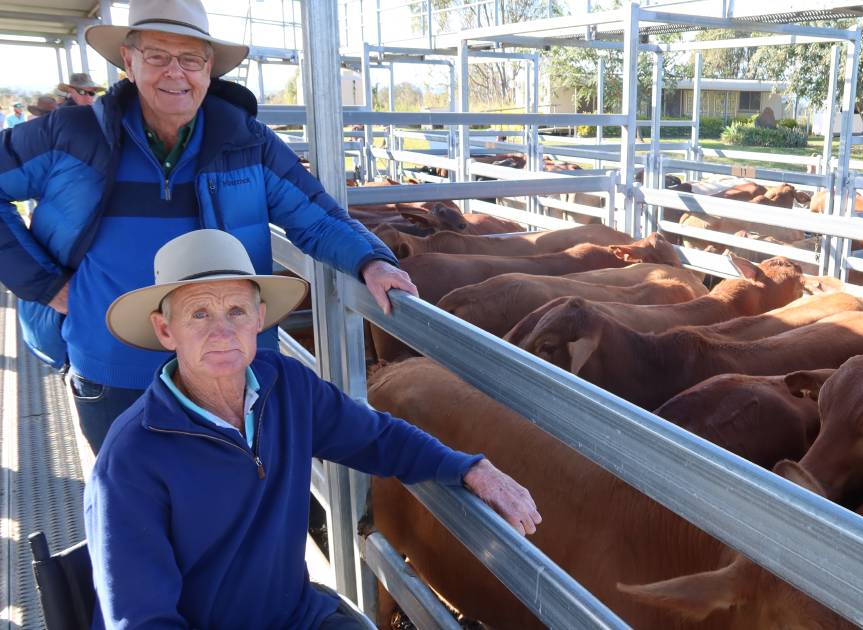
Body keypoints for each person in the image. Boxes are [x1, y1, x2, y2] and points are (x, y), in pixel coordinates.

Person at [0, 0, 416, 454]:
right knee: (135, 507)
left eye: (191, 59)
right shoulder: (70, 135)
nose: (174, 73)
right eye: (157, 55)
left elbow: (316, 216)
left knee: (231, 502)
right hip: (112, 371)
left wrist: (371, 261)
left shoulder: (247, 141)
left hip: (227, 370)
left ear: (209, 67)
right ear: (129, 61)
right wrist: (46, 285)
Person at [85, 229, 542, 629]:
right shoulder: (131, 458)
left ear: (259, 319)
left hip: (295, 616)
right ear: (166, 331)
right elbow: (142, 620)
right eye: (199, 314)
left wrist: (470, 468)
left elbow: (377, 437)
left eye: (237, 311)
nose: (222, 332)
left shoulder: (285, 385)